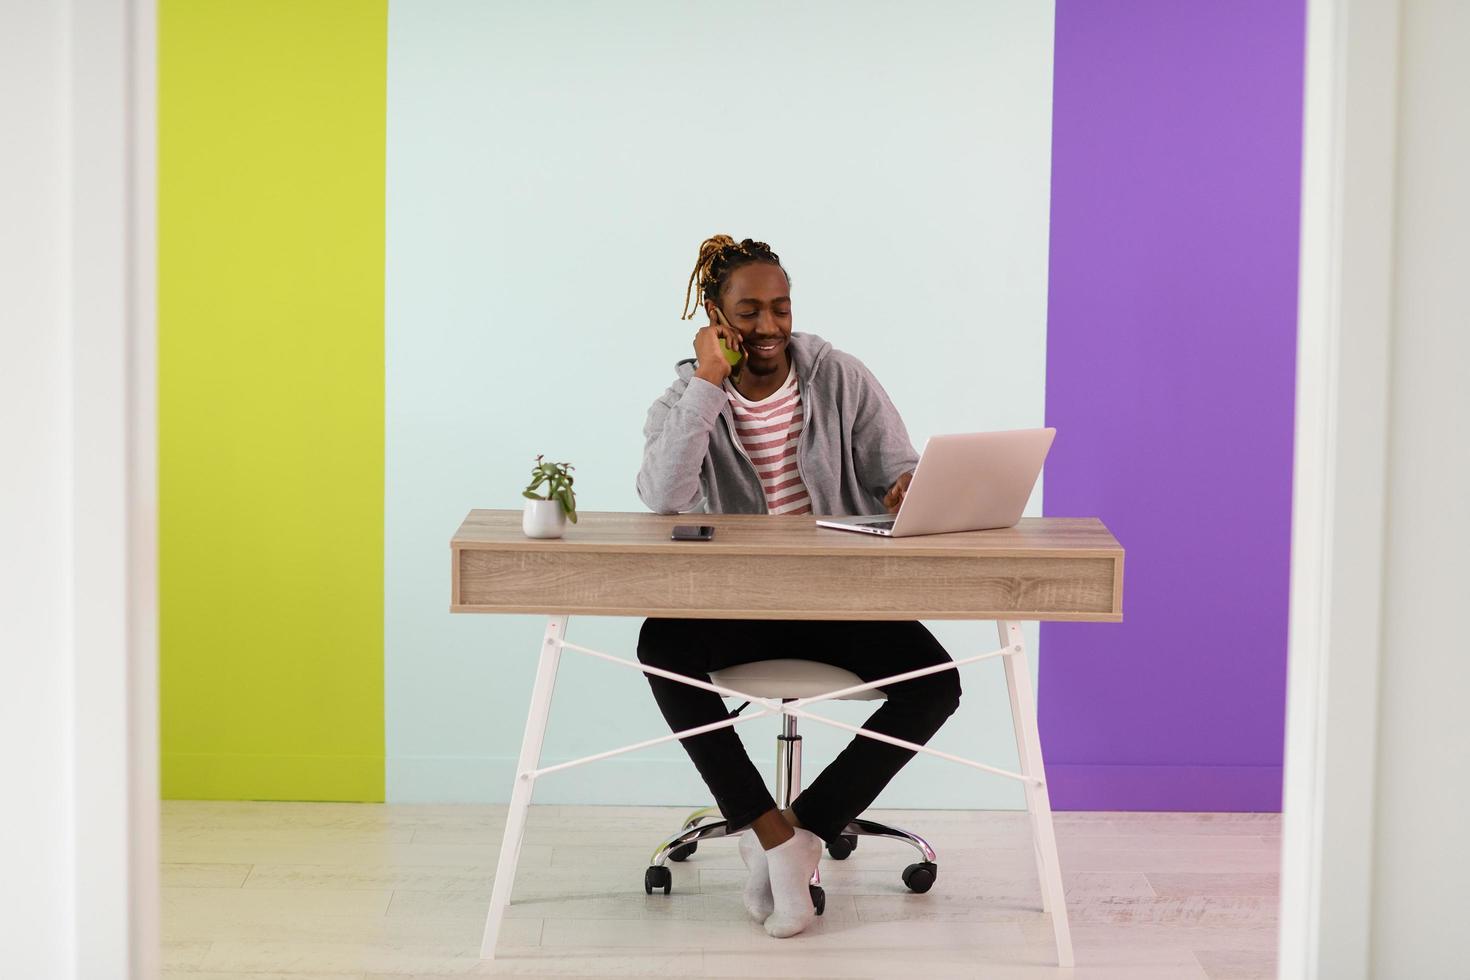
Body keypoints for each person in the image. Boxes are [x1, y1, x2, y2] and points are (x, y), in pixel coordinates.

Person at [634, 234, 962, 938]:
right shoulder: (683, 398)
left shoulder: (838, 376)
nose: (769, 326)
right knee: (660, 643)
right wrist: (706, 384)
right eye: (748, 311)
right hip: (737, 603)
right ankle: (764, 828)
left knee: (937, 683)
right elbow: (663, 496)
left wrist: (906, 490)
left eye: (780, 308)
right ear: (715, 319)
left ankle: (806, 828)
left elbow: (895, 468)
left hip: (838, 598)